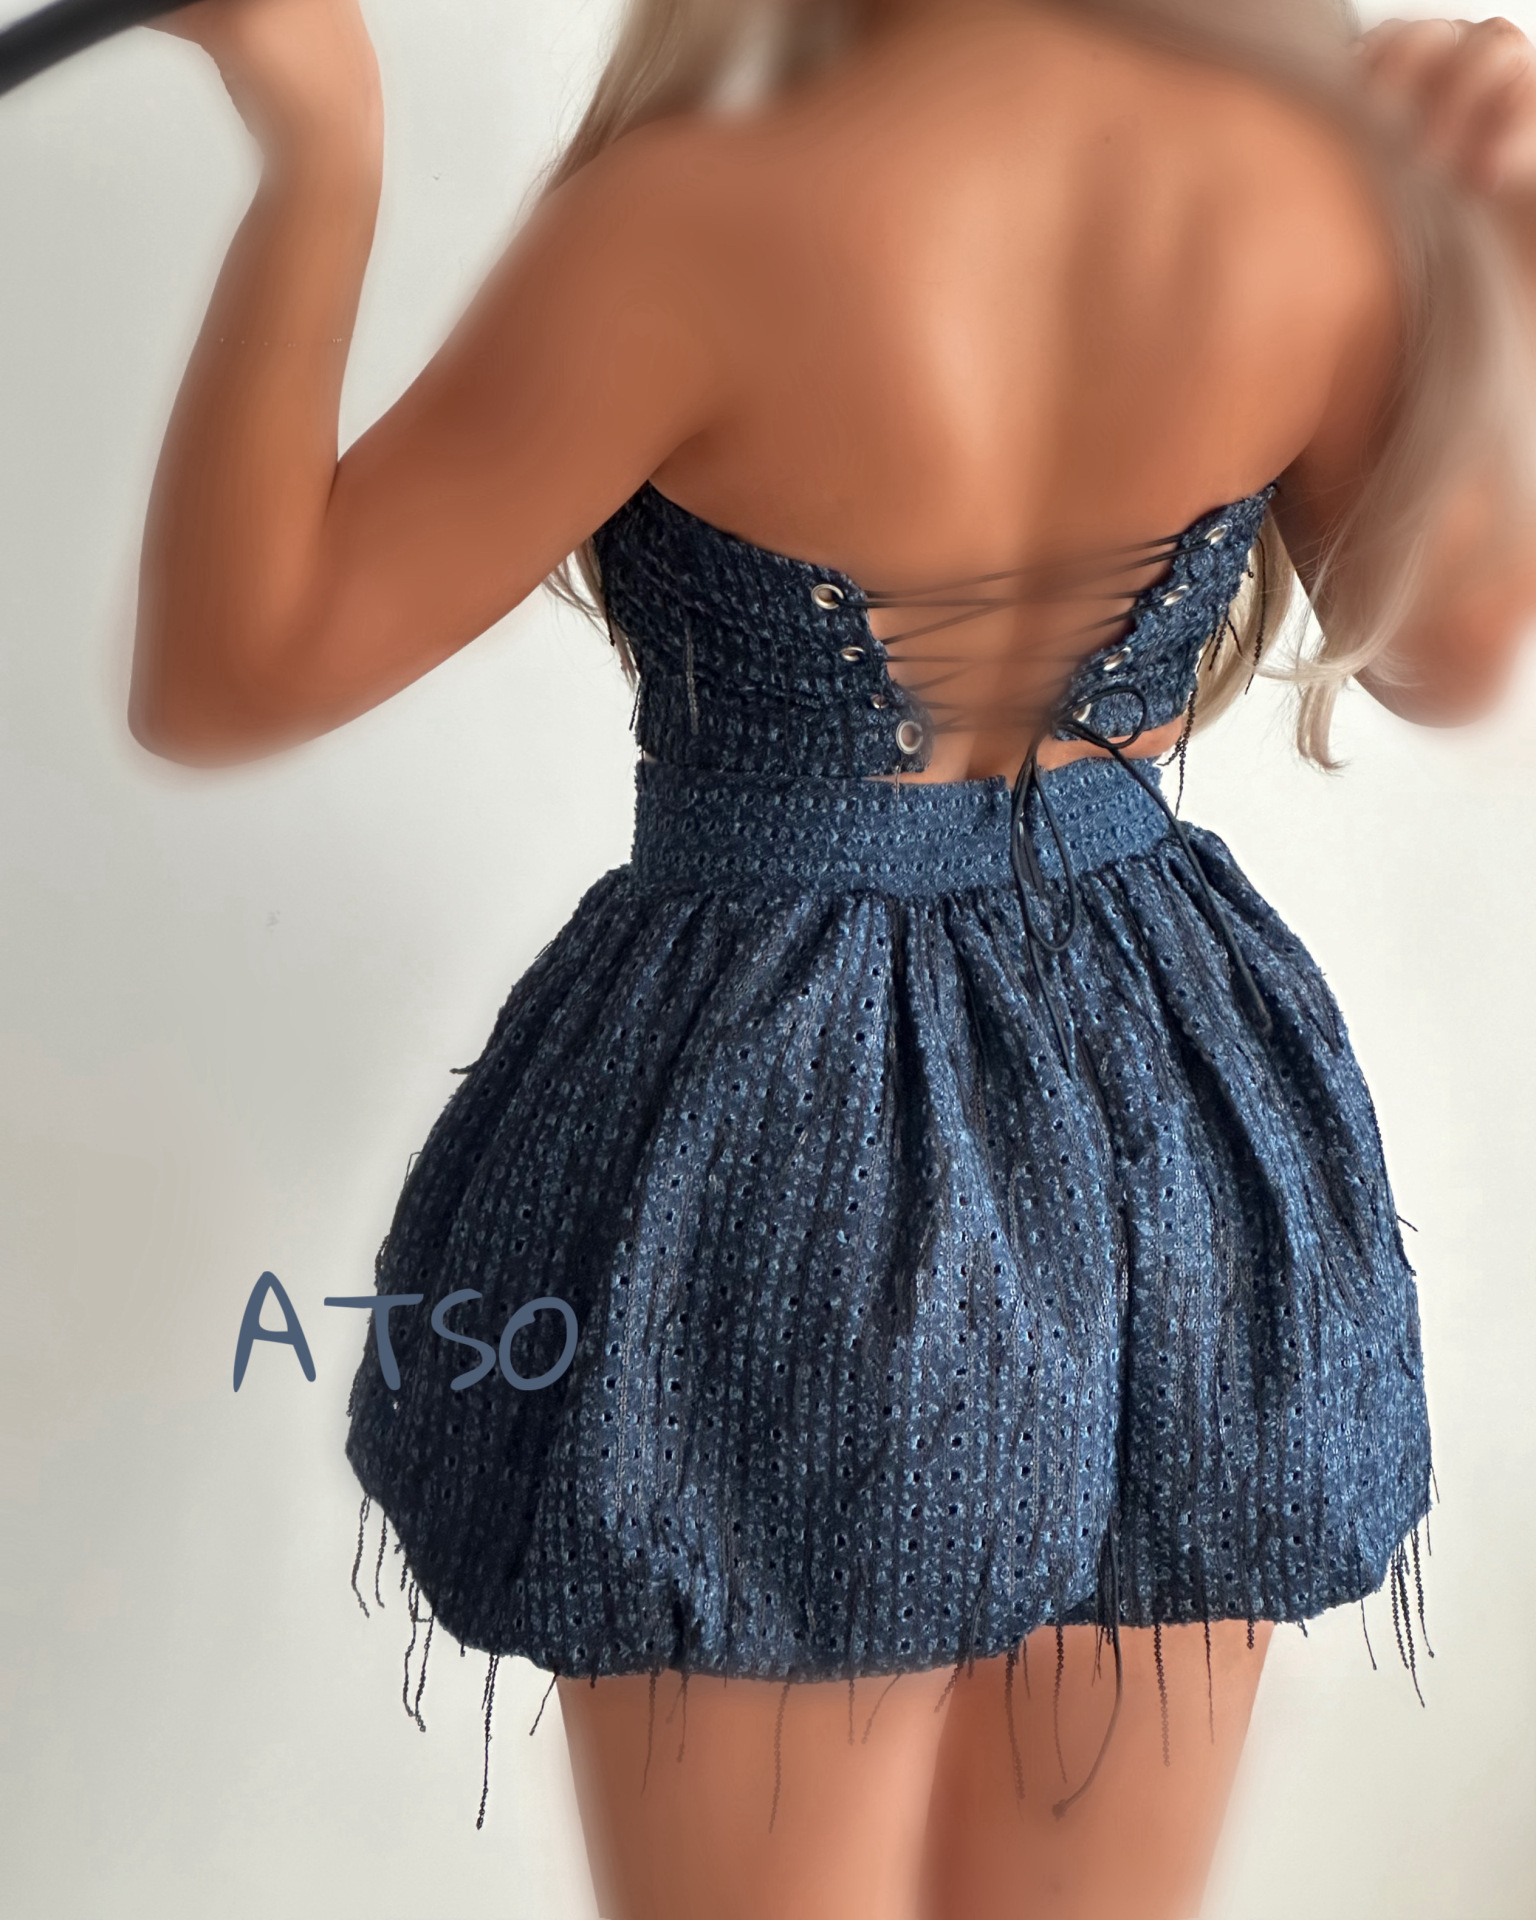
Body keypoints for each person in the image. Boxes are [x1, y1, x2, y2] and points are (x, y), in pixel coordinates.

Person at [128, 1, 1536, 1915]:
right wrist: (1486, 272)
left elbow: (231, 669)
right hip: (1185, 1137)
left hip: (779, 1158)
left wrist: (320, 148)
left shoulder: (691, 225)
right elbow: (1453, 656)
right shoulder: (1308, 196)